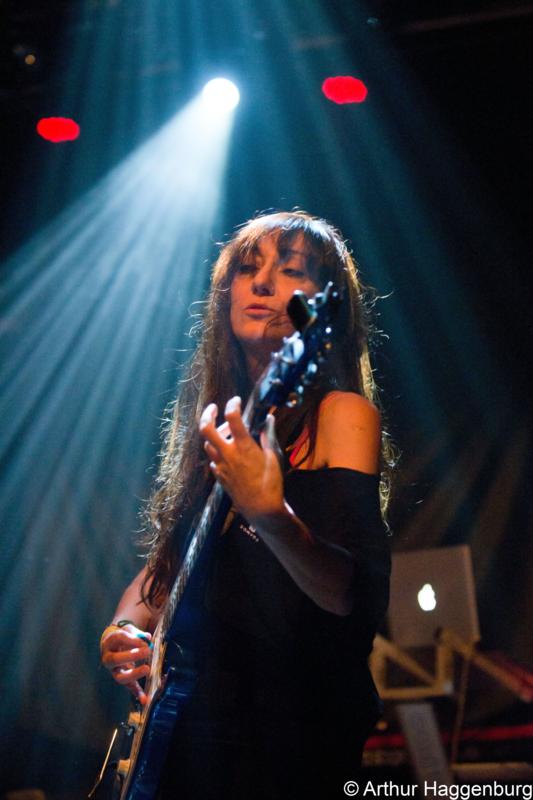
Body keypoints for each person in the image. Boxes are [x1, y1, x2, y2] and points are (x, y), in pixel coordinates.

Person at [99, 210, 392, 799]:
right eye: (247, 268)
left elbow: (350, 592)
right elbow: (166, 570)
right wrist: (125, 627)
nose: (260, 283)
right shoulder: (219, 422)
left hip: (286, 747)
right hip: (190, 744)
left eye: (290, 272)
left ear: (319, 310)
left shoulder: (341, 416)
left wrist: (271, 516)